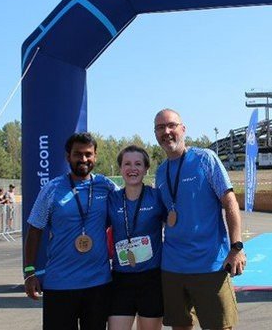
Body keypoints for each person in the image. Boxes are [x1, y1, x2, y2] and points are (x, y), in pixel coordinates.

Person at [153, 109, 246, 330]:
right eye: (159, 128)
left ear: (183, 129)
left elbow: (230, 202)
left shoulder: (205, 159)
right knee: (180, 326)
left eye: (171, 125)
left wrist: (237, 247)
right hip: (173, 267)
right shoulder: (160, 172)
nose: (166, 132)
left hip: (210, 266)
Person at [24, 132, 117, 330]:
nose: (83, 159)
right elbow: (34, 230)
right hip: (60, 284)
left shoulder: (107, 186)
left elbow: (128, 206)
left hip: (98, 284)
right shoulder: (52, 189)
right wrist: (29, 272)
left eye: (88, 154)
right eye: (77, 154)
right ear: (68, 157)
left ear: (95, 156)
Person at [107, 145, 167, 330]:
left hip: (152, 278)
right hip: (121, 278)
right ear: (120, 169)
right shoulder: (112, 199)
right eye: (127, 164)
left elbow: (177, 224)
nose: (132, 169)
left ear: (146, 168)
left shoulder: (157, 197)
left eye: (138, 164)